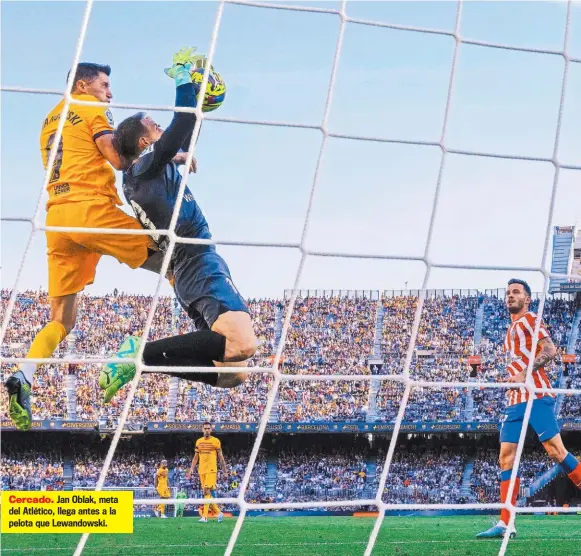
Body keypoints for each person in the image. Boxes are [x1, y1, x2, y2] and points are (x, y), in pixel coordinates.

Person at [5, 62, 162, 431]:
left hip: (57, 218)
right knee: (175, 259)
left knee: (62, 320)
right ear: (83, 84)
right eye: (105, 85)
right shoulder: (91, 107)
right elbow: (117, 158)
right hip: (90, 209)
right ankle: (143, 350)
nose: (110, 93)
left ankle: (24, 376)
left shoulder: (50, 118)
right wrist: (161, 149)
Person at [97, 47, 256, 402]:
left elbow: (187, 130)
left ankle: (144, 361)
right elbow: (182, 125)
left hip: (186, 268)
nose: (158, 125)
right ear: (143, 142)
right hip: (196, 261)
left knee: (235, 375)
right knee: (243, 344)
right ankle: (142, 353)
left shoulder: (146, 173)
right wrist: (184, 78)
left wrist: (194, 106)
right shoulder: (142, 169)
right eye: (152, 125)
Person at [476, 279, 581, 539]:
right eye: (508, 293)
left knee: (556, 452)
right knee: (505, 458)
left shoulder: (531, 319)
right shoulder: (509, 330)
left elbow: (550, 350)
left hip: (536, 395)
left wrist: (524, 372)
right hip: (515, 402)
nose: (510, 296)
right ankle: (505, 523)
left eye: (516, 292)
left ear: (527, 299)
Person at [190, 422, 227, 523]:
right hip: (201, 470)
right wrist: (191, 469)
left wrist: (225, 471)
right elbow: (195, 457)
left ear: (211, 430)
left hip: (211, 470)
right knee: (206, 494)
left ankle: (205, 517)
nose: (206, 430)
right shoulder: (198, 442)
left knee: (206, 491)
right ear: (202, 429)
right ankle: (219, 512)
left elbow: (221, 457)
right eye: (205, 428)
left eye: (208, 428)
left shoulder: (215, 441)